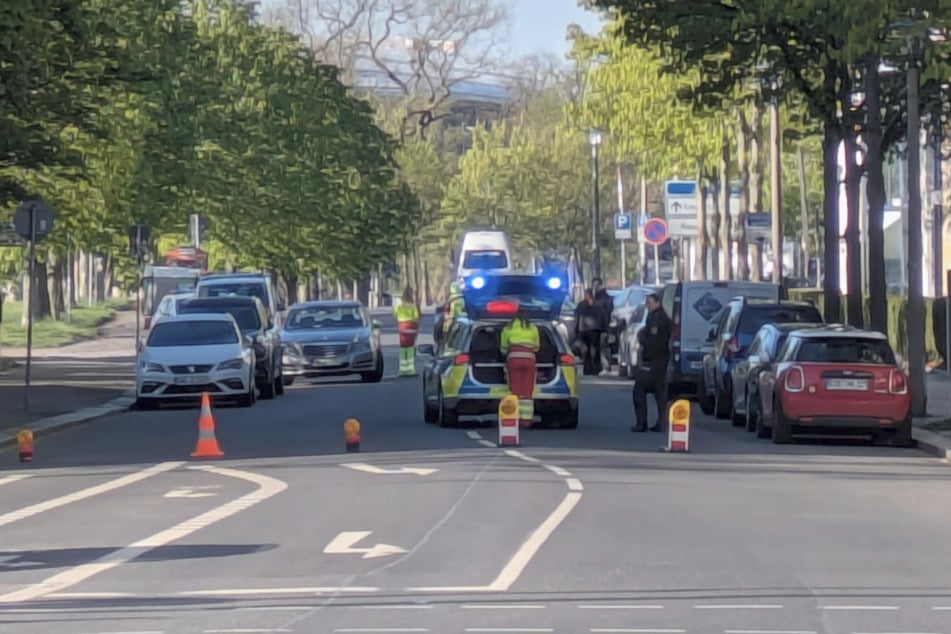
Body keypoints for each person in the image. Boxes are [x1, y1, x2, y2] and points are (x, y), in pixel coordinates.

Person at [632, 292, 672, 432]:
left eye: (649, 302)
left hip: (656, 361)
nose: (647, 305)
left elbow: (655, 340)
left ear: (657, 302)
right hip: (657, 361)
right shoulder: (653, 316)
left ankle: (643, 423)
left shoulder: (659, 318)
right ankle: (659, 423)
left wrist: (643, 338)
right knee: (659, 393)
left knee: (640, 389)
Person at [500, 307, 540, 428]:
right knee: (527, 391)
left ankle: (513, 418)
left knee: (514, 390)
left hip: (513, 359)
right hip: (529, 360)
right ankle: (526, 420)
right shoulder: (533, 328)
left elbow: (503, 348)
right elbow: (537, 347)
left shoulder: (508, 328)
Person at [574, 289, 607, 375]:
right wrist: (604, 329)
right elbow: (603, 318)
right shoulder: (598, 305)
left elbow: (577, 318)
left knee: (588, 351)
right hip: (594, 330)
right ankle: (594, 369)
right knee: (593, 351)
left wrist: (577, 331)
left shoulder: (582, 305)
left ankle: (589, 369)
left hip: (586, 330)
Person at [394, 287, 420, 376]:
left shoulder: (399, 306)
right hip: (411, 327)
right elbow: (416, 316)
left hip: (402, 327)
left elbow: (395, 314)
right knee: (410, 348)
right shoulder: (413, 306)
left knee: (403, 348)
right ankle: (411, 369)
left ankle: (402, 370)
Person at [592, 278, 614, 374]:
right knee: (599, 347)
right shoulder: (596, 298)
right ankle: (600, 367)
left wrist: (605, 327)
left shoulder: (604, 299)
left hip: (603, 327)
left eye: (596, 285)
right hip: (597, 326)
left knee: (603, 347)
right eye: (594, 285)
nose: (595, 287)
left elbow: (606, 314)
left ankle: (606, 366)